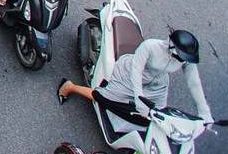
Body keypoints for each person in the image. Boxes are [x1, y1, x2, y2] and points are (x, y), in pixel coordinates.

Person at [58, 30, 212, 135]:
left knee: (159, 117)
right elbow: (136, 73)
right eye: (180, 57)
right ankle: (70, 87)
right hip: (130, 74)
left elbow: (194, 83)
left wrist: (204, 113)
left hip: (157, 83)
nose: (182, 61)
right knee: (106, 98)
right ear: (171, 47)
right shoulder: (150, 47)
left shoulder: (185, 59)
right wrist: (139, 100)